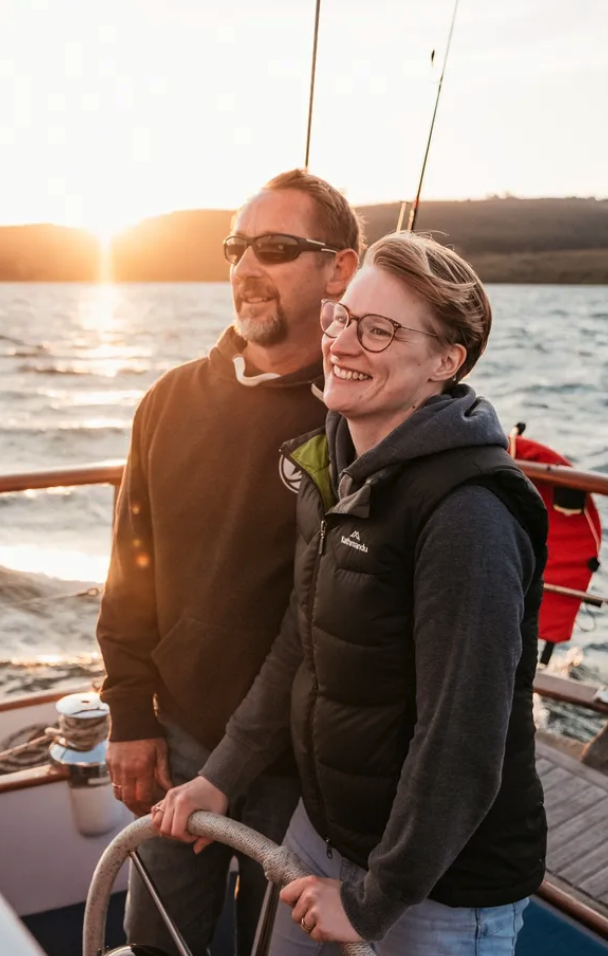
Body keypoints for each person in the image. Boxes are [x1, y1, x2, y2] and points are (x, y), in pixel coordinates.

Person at [153, 232, 549, 956]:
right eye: (341, 316)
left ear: (445, 361)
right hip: (322, 837)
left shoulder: (468, 516)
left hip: (436, 889)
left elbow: (460, 738)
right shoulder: (338, 469)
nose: (342, 342)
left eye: (379, 330)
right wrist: (222, 777)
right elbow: (297, 646)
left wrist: (374, 901)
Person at [96, 169, 362, 956]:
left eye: (275, 248)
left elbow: (328, 615)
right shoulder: (168, 401)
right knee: (154, 943)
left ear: (339, 269)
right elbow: (127, 570)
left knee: (273, 948)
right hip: (175, 740)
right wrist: (129, 715)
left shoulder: (358, 420)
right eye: (235, 247)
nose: (246, 267)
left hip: (302, 763)